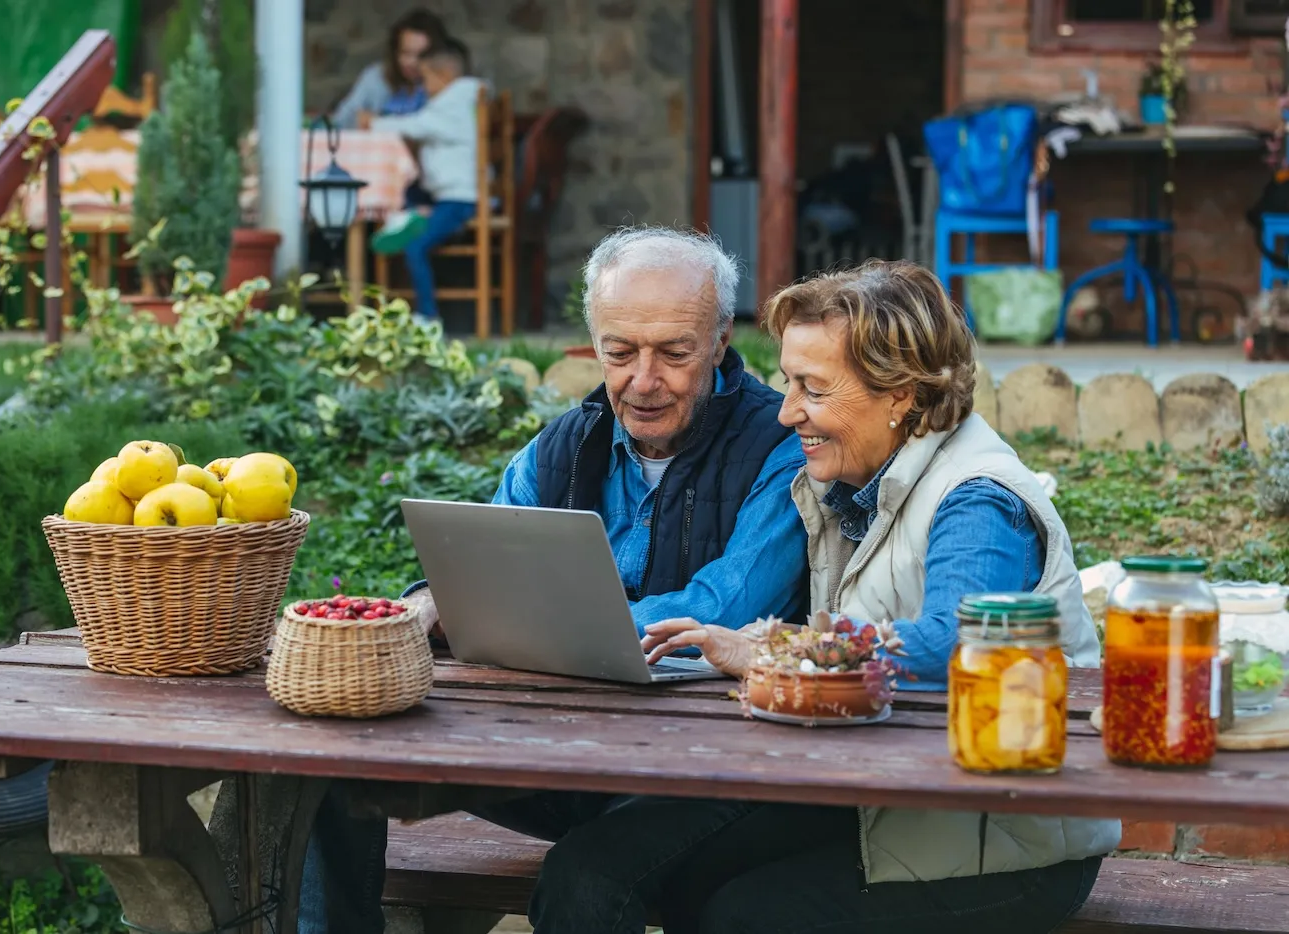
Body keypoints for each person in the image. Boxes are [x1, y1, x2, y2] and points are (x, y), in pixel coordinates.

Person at [525, 259, 1113, 934]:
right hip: (877, 796)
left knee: (743, 916)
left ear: (900, 394)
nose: (785, 411)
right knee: (595, 867)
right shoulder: (850, 486)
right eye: (787, 383)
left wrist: (776, 652)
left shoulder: (977, 500)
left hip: (1000, 842)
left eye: (812, 388)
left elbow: (961, 643)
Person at [298, 226, 810, 933]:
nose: (643, 380)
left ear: (722, 341)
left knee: (585, 881)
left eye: (674, 353)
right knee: (334, 771)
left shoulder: (781, 452)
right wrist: (428, 603)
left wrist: (538, 620)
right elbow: (482, 563)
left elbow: (718, 610)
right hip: (562, 753)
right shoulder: (563, 445)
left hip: (707, 776)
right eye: (620, 352)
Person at [363, 41, 482, 320]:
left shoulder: (451, 106)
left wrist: (374, 123)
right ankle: (408, 217)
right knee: (416, 212)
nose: (423, 86)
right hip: (449, 198)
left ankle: (428, 316)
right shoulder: (464, 100)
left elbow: (416, 125)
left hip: (459, 200)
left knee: (416, 247)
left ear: (444, 77)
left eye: (426, 79)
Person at [330, 8, 448, 126]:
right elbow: (340, 121)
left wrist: (378, 122)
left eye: (421, 55)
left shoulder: (445, 84)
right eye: (405, 53)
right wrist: (359, 120)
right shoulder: (375, 77)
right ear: (395, 52)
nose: (411, 62)